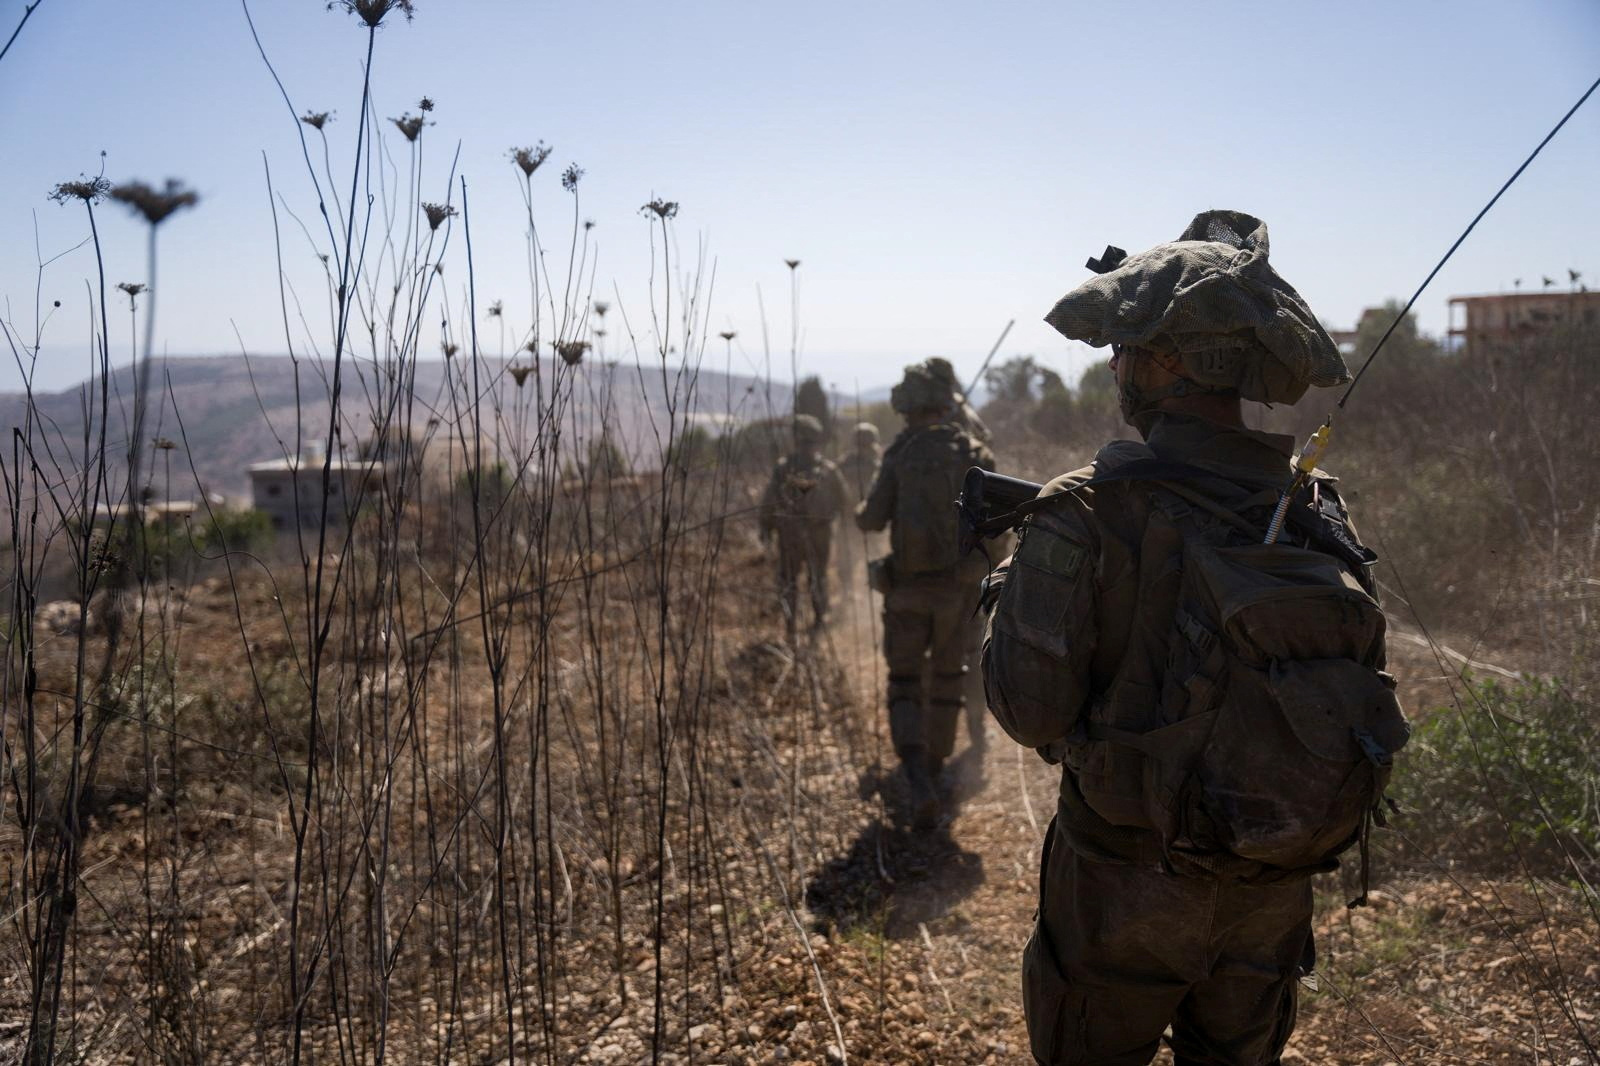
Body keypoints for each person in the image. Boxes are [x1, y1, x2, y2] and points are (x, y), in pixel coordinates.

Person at [983, 210, 1398, 1065]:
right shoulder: (1313, 508)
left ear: (1161, 363)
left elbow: (1029, 712)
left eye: (1125, 348)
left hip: (1120, 889)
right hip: (1268, 885)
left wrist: (1003, 598)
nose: (1117, 366)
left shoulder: (1083, 510)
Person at [857, 364, 994, 826]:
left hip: (908, 593)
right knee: (949, 679)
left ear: (906, 407)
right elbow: (998, 528)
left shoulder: (900, 454)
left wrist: (863, 508)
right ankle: (935, 768)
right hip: (956, 594)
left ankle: (916, 775)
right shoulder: (974, 452)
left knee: (905, 681)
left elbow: (871, 519)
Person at [759, 414, 850, 641]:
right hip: (798, 534)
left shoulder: (824, 470)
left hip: (809, 533)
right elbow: (770, 501)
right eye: (806, 442)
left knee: (808, 578)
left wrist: (766, 527)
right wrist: (766, 527)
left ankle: (811, 623)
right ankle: (797, 626)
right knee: (800, 579)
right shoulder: (790, 469)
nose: (807, 447)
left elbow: (844, 502)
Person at [833, 421, 882, 587]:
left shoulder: (842, 463)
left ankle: (849, 595)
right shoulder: (878, 465)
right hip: (870, 521)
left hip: (849, 521)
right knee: (873, 560)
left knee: (847, 564)